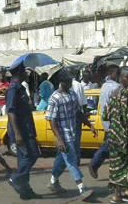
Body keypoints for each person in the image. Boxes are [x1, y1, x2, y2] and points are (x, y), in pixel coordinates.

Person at [45, 67, 97, 201]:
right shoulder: (54, 98)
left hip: (73, 133)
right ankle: (82, 188)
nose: (70, 82)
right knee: (71, 159)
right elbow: (52, 120)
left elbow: (78, 113)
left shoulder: (72, 94)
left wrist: (90, 125)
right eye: (68, 80)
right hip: (63, 135)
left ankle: (53, 181)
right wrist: (60, 139)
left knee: (63, 159)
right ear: (62, 81)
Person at [103, 66, 128, 203]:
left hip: (113, 135)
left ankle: (117, 195)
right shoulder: (125, 93)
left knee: (117, 166)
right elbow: (126, 118)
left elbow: (105, 115)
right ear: (121, 78)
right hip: (124, 136)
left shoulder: (114, 93)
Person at [6, 61, 41, 200]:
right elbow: (11, 112)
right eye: (25, 72)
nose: (27, 74)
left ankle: (25, 190)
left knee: (25, 160)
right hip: (21, 131)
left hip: (27, 129)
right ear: (19, 73)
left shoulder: (20, 89)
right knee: (31, 155)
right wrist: (17, 133)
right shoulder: (13, 90)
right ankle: (16, 178)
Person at [88, 65, 120, 179]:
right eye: (117, 73)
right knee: (108, 146)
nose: (119, 75)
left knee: (111, 148)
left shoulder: (105, 85)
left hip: (106, 120)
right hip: (112, 122)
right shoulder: (114, 87)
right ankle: (94, 164)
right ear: (111, 73)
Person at [71, 69, 87, 165]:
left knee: (69, 139)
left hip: (68, 115)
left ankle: (71, 160)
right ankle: (76, 160)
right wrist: (84, 116)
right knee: (76, 139)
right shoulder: (79, 85)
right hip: (77, 115)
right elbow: (84, 103)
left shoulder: (64, 85)